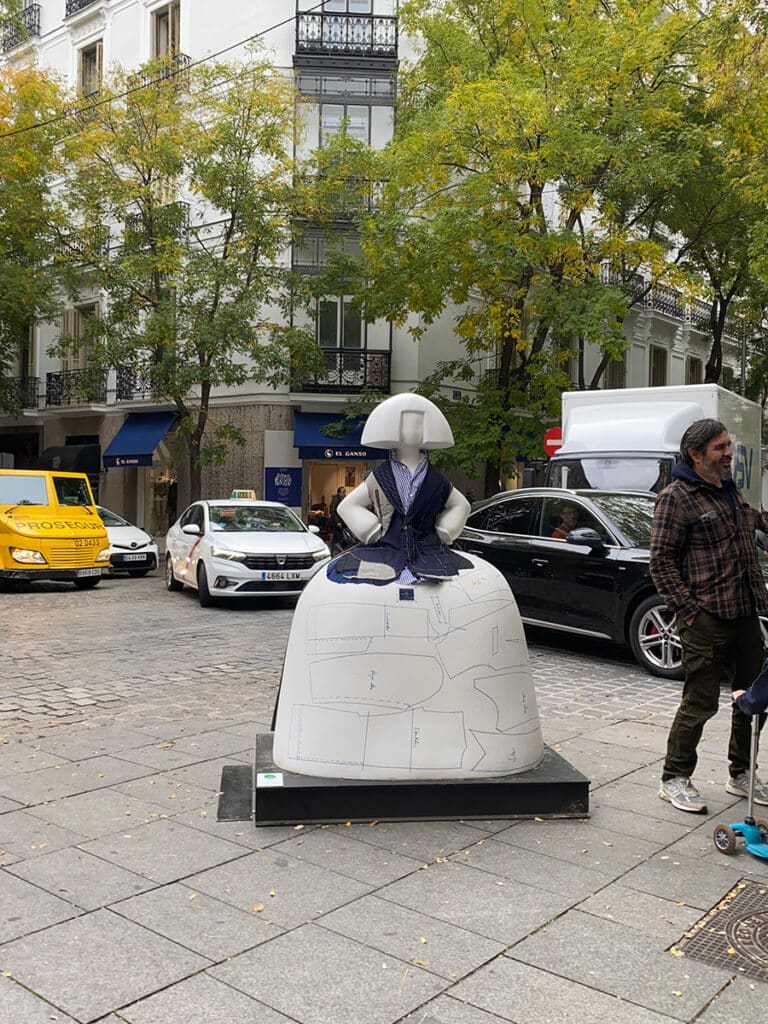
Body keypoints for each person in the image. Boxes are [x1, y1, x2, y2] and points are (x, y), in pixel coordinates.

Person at [650, 417, 768, 814]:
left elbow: (758, 523)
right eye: (720, 448)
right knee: (700, 703)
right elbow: (661, 562)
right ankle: (675, 777)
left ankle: (741, 773)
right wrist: (690, 613)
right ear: (695, 454)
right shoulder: (676, 497)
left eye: (729, 446)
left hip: (747, 613)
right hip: (706, 618)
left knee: (755, 699)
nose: (729, 453)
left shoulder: (730, 493)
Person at [328, 486, 346, 554]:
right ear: (339, 493)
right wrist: (337, 522)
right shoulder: (336, 499)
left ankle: (331, 552)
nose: (344, 493)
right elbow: (332, 511)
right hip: (336, 522)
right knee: (339, 537)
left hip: (340, 522)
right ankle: (341, 551)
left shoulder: (343, 499)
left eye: (345, 492)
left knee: (335, 538)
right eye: (343, 492)